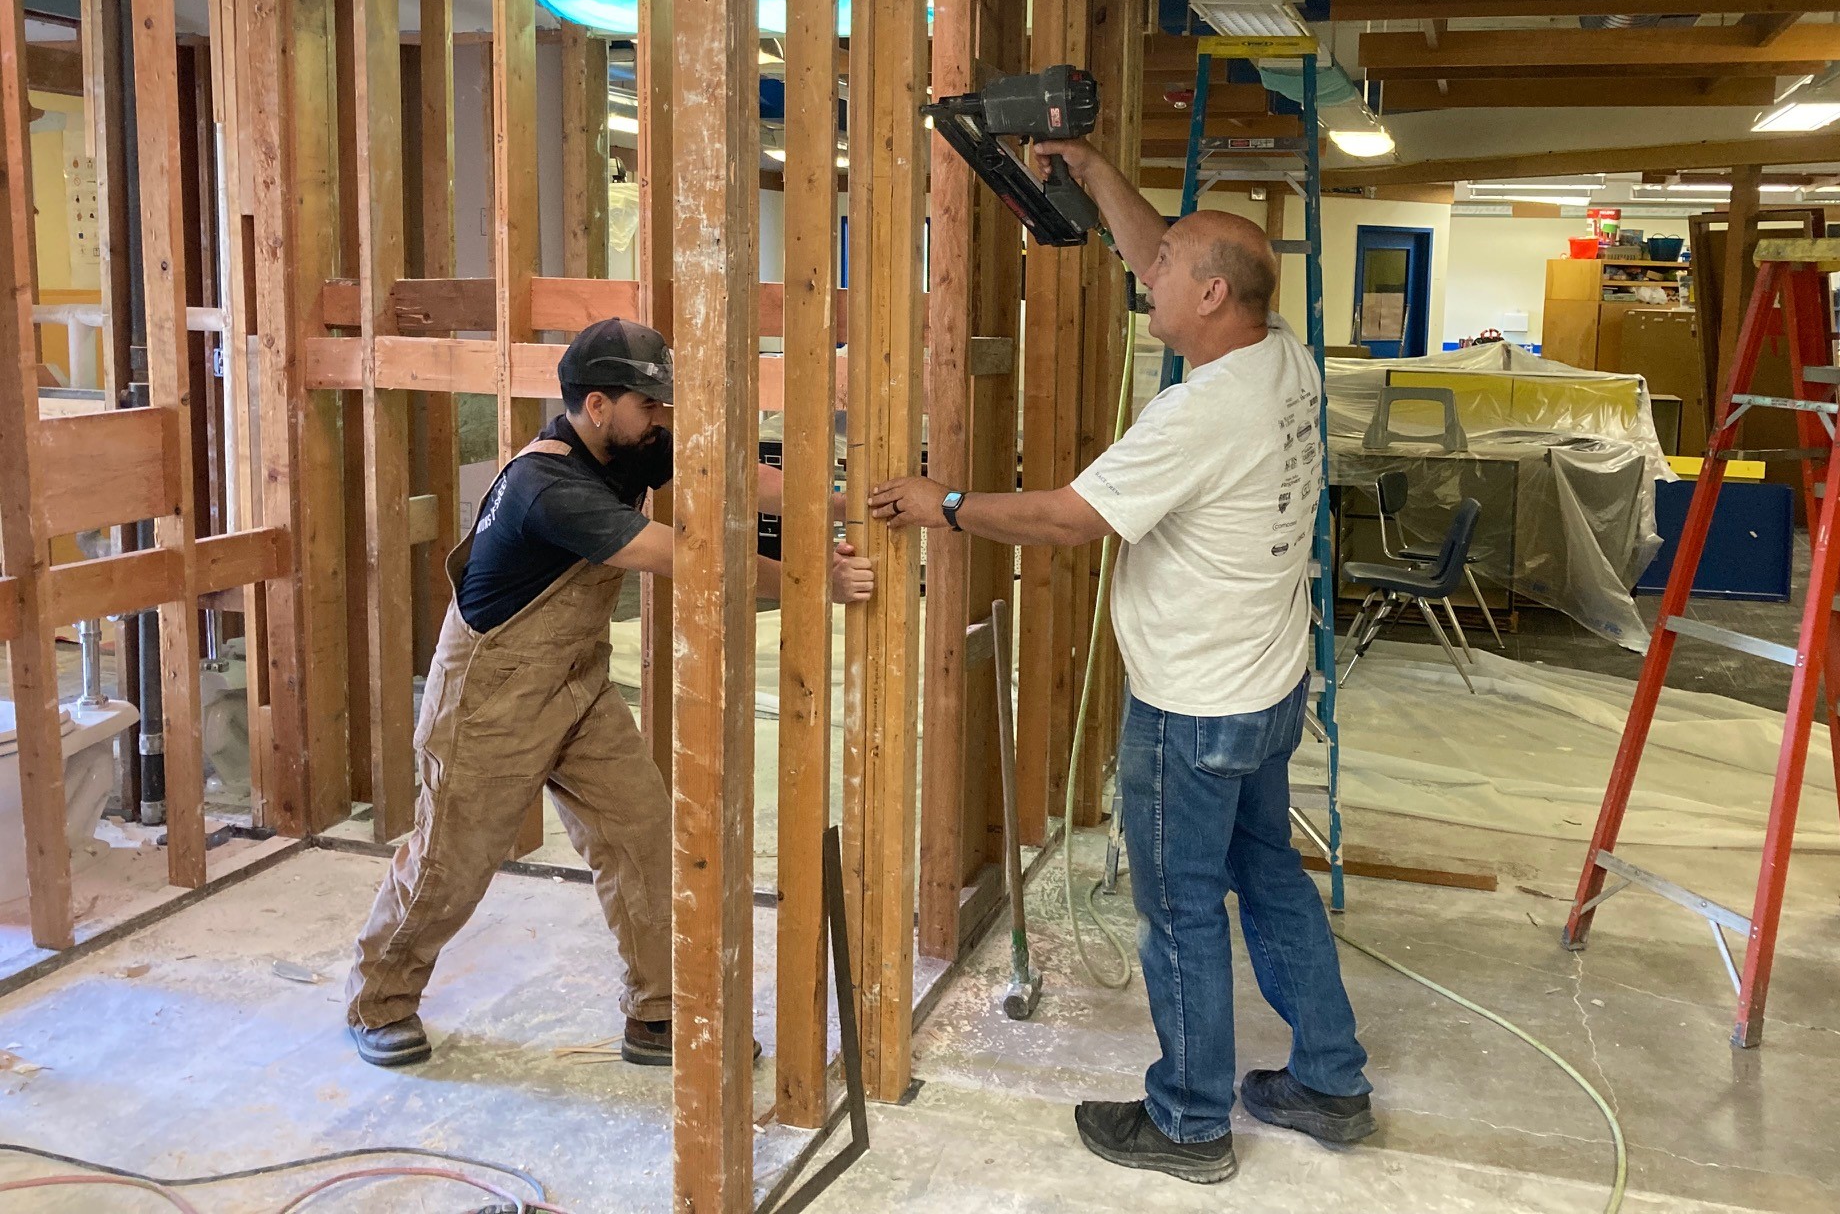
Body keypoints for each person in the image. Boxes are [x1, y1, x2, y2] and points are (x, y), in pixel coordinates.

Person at [870, 141, 1372, 1184]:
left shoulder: (1197, 413)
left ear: (1213, 296)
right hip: (1268, 692)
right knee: (1269, 880)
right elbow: (1169, 253)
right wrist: (1096, 175)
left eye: (1166, 276)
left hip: (1194, 709)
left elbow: (1064, 519)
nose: (1148, 279)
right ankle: (1330, 1081)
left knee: (1180, 910)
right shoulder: (1281, 356)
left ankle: (1189, 1123)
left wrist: (945, 504)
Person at [346, 317, 870, 1069]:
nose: (661, 419)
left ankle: (657, 1014)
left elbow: (736, 479)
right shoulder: (549, 488)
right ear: (597, 405)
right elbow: (690, 560)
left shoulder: (631, 442)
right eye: (648, 405)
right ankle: (380, 999)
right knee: (451, 862)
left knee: (642, 835)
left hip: (576, 682)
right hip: (491, 695)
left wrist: (841, 506)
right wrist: (817, 579)